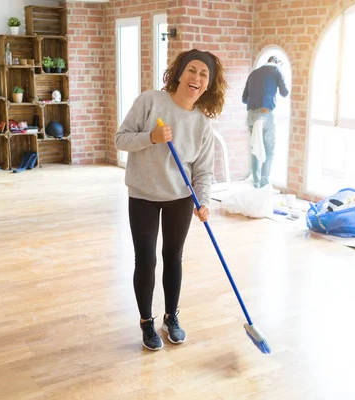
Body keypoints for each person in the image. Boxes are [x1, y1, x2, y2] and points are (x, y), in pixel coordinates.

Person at [115, 49, 227, 351]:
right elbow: (120, 139)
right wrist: (150, 137)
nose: (197, 78)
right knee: (146, 259)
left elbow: (203, 171)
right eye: (192, 70)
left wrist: (203, 201)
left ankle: (171, 317)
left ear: (207, 85)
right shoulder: (151, 101)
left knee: (173, 257)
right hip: (143, 194)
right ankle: (146, 321)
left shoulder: (202, 123)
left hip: (180, 197)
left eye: (204, 75)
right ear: (179, 73)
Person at [242, 55, 289, 188]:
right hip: (265, 113)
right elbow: (285, 92)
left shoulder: (253, 74)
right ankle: (264, 183)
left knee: (255, 147)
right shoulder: (276, 70)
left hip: (250, 114)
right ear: (277, 62)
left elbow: (244, 98)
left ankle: (255, 183)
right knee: (269, 149)